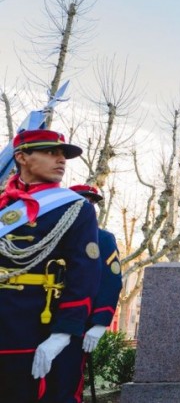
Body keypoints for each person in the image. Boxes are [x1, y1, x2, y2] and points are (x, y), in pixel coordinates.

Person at [0, 129, 100, 402]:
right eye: (50, 152)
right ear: (21, 157)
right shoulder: (3, 205)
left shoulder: (75, 208)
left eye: (63, 155)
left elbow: (85, 274)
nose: (61, 160)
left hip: (36, 324)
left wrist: (63, 332)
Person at [69, 184, 123, 400]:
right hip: (36, 318)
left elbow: (111, 282)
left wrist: (100, 322)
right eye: (84, 201)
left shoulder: (103, 239)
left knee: (68, 380)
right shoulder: (49, 233)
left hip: (78, 321)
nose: (90, 206)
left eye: (93, 202)